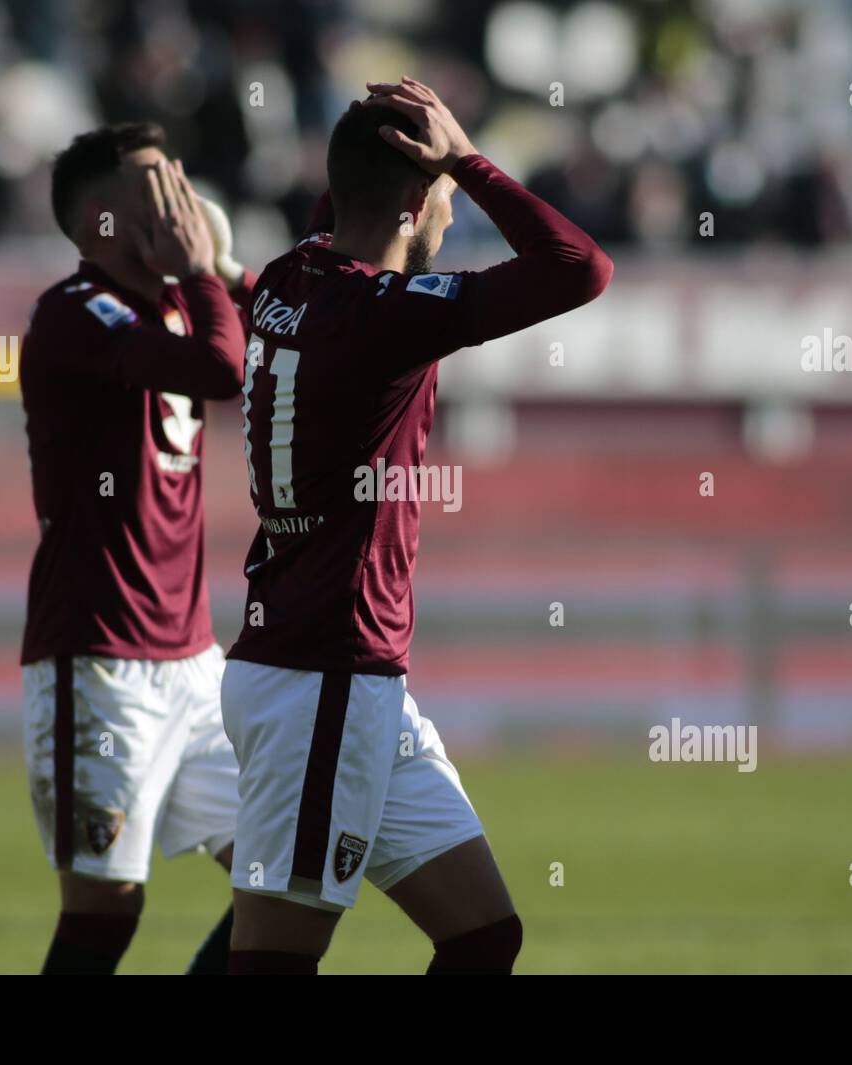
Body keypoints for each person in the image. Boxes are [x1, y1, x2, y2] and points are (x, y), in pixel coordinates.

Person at [220, 78, 613, 974]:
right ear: (414, 196)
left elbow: (353, 199)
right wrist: (469, 159)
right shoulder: (384, 317)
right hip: (321, 677)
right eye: (440, 191)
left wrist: (405, 148)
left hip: (343, 677)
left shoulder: (291, 275)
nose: (452, 207)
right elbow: (579, 267)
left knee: (482, 937)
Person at [18, 122, 251, 974]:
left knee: (286, 878)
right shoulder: (73, 312)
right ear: (98, 222)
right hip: (101, 659)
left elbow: (286, 328)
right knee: (106, 916)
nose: (180, 199)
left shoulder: (183, 301)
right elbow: (223, 372)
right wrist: (198, 270)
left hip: (196, 661)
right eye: (157, 184)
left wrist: (221, 270)